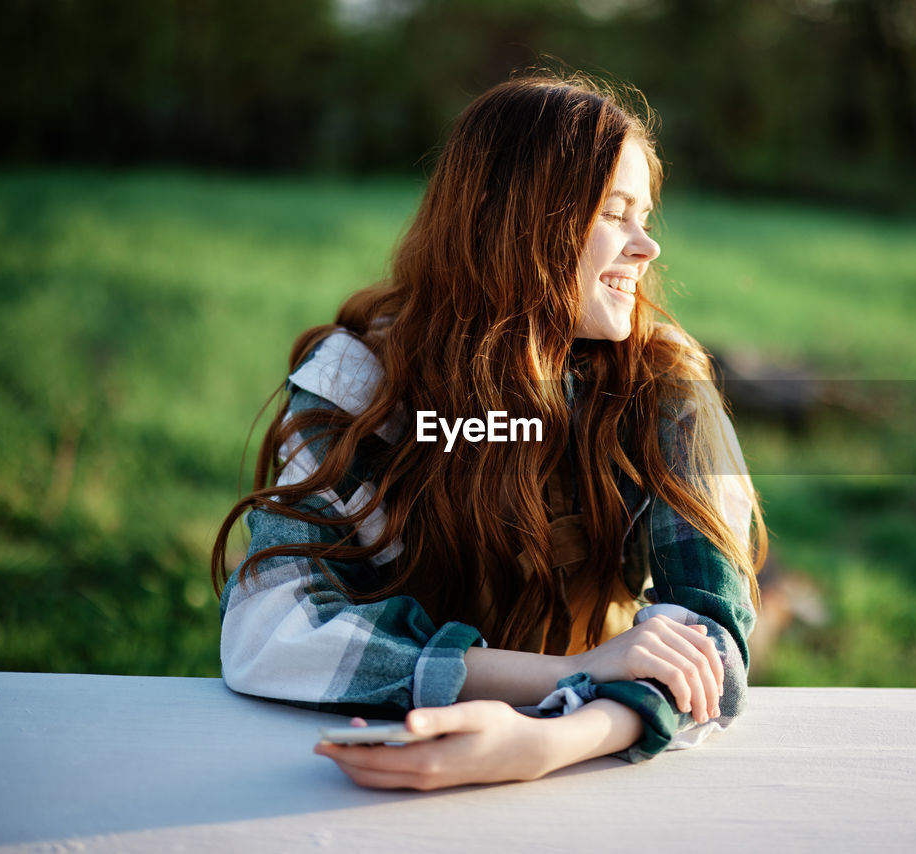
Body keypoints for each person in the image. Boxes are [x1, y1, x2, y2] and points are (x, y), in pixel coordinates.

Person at [211, 72, 766, 791]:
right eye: (614, 213)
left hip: (596, 785)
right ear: (514, 221)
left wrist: (551, 740)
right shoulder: (362, 385)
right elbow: (268, 628)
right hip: (362, 769)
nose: (647, 247)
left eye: (645, 216)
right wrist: (564, 674)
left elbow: (709, 641)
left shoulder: (663, 390)